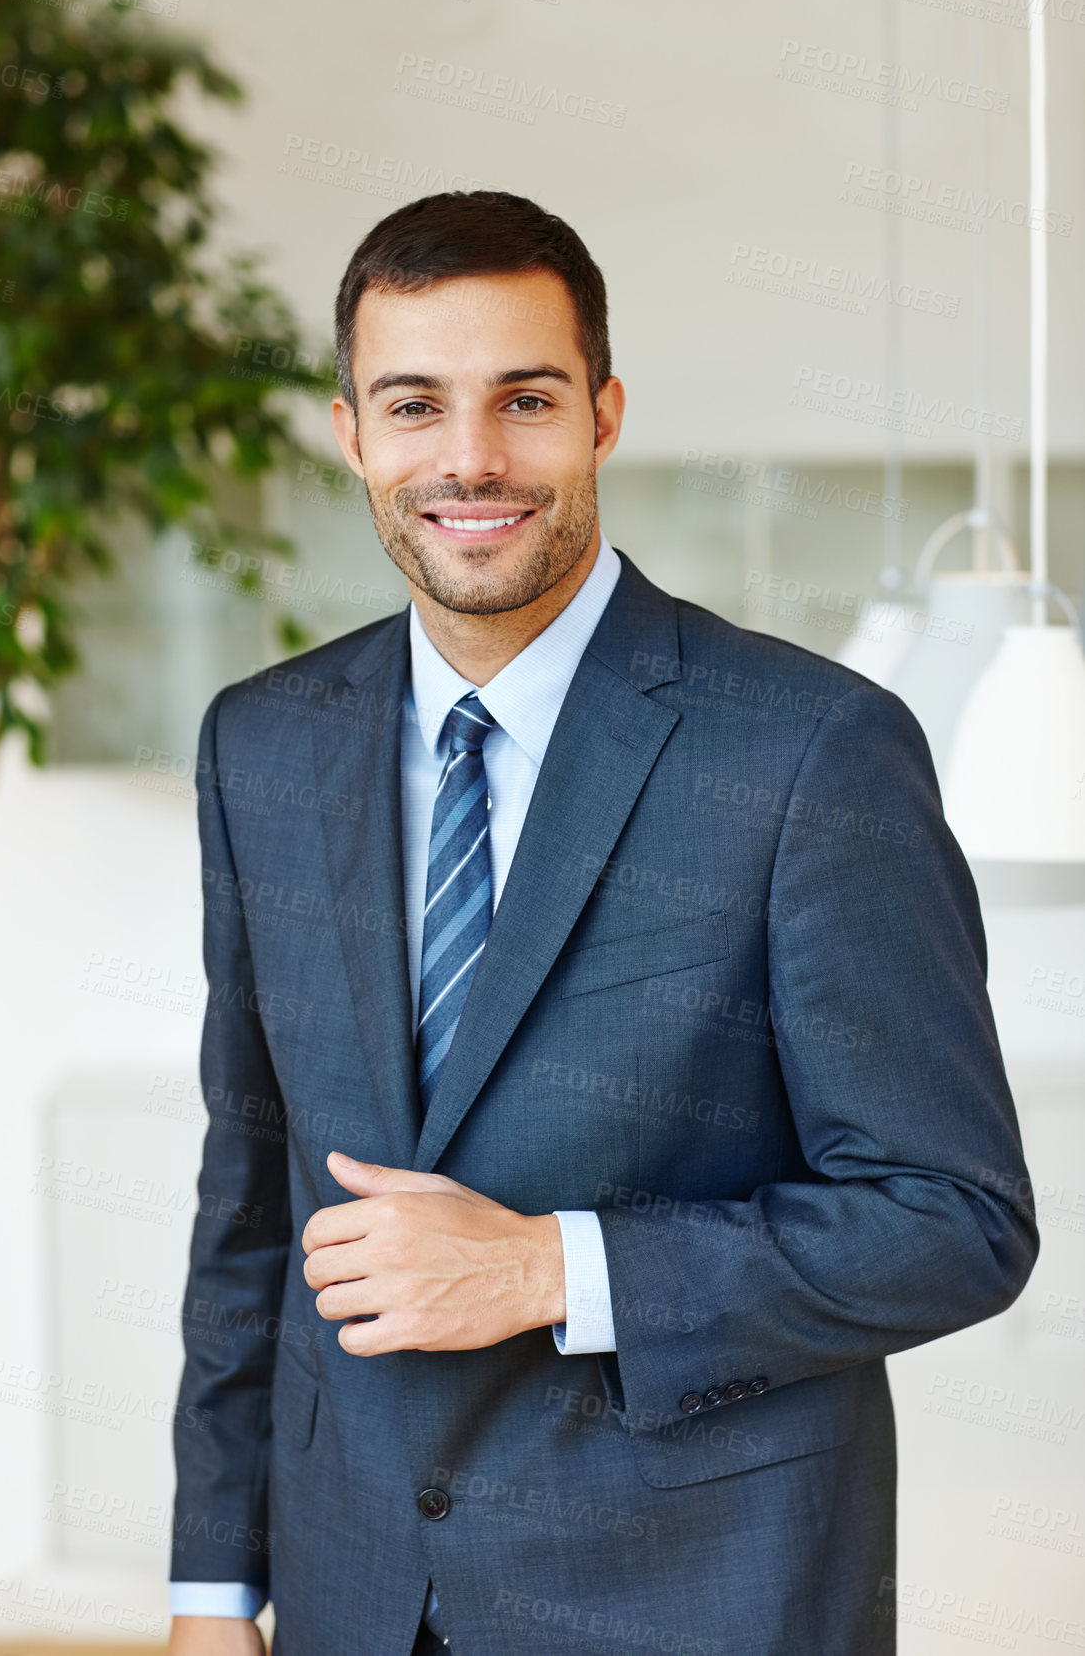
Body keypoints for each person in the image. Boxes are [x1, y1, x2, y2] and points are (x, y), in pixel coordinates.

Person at [167, 191, 1037, 1656]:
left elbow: (951, 1223)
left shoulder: (809, 750)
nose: (469, 459)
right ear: (349, 435)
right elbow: (251, 1200)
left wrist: (546, 1269)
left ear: (604, 414)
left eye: (525, 398)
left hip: (702, 1594)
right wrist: (211, 1584)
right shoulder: (260, 745)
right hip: (352, 1588)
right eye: (413, 405)